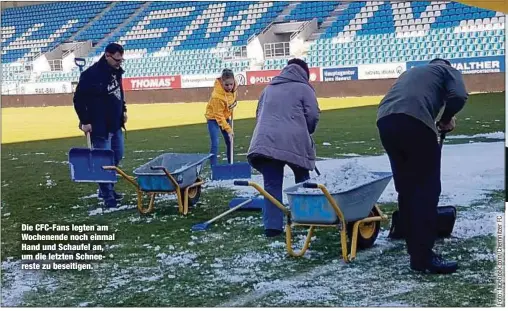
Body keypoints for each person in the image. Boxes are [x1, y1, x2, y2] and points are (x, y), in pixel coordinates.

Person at [376, 58, 468, 274]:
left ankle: (410, 237)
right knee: (427, 189)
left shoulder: (414, 72)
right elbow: (459, 95)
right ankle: (423, 256)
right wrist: (446, 118)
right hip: (414, 121)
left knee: (407, 187)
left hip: (385, 121)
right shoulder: (447, 70)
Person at [247, 58, 320, 237]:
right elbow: (313, 116)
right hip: (294, 140)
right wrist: (306, 131)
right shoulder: (304, 88)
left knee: (271, 185)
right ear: (305, 73)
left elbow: (258, 115)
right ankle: (307, 218)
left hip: (265, 142)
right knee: (303, 180)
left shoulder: (268, 88)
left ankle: (272, 227)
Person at [73, 43, 128, 208]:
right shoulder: (91, 75)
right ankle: (108, 196)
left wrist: (123, 110)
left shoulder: (117, 72)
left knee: (117, 156)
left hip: (115, 123)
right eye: (117, 60)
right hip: (99, 126)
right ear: (107, 55)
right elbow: (78, 100)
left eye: (121, 59)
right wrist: (85, 121)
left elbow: (119, 93)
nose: (119, 63)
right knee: (103, 161)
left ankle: (106, 188)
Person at [205, 69, 238, 166]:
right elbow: (218, 116)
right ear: (221, 82)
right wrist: (228, 129)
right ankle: (214, 167)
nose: (229, 87)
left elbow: (232, 99)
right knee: (215, 142)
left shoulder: (234, 88)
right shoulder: (217, 97)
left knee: (230, 141)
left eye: (231, 84)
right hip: (213, 119)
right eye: (226, 85)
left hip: (225, 116)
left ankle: (230, 164)